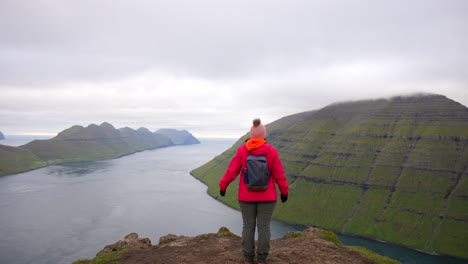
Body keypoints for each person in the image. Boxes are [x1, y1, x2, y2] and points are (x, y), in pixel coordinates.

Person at [219, 118, 289, 264]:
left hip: (246, 197)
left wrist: (223, 186)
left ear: (251, 135)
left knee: (248, 227)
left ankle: (248, 259)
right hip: (268, 197)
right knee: (264, 227)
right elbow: (279, 174)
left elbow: (232, 171)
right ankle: (262, 259)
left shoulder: (242, 150)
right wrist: (284, 191)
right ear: (264, 135)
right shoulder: (271, 151)